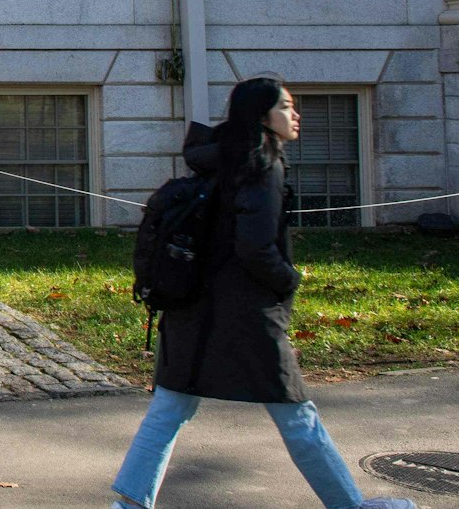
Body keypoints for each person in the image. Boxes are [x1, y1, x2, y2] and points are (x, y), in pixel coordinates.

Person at [109, 77, 412, 509]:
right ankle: (351, 506)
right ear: (263, 117)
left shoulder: (219, 158)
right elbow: (254, 246)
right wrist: (288, 279)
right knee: (296, 414)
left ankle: (129, 504)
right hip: (247, 315)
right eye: (286, 107)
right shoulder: (262, 164)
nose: (296, 115)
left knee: (171, 407)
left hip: (192, 305)